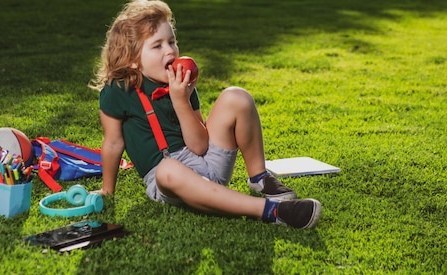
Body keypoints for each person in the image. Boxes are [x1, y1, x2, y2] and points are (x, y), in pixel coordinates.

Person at [88, 0, 321, 229]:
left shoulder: (181, 83)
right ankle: (272, 211)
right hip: (170, 181)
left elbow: (200, 146)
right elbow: (113, 143)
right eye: (157, 46)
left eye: (172, 41)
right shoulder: (118, 90)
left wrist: (181, 99)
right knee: (167, 169)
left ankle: (259, 178)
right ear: (132, 59)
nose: (170, 50)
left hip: (206, 162)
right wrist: (108, 190)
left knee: (236, 96)